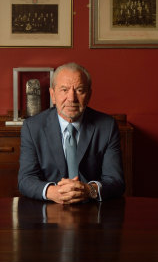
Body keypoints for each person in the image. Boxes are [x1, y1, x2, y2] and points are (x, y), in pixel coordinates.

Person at [18, 62, 125, 204]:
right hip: (49, 209)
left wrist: (88, 190)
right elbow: (25, 180)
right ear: (52, 95)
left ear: (89, 95)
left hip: (92, 210)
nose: (72, 98)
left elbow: (116, 181)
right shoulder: (33, 127)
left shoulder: (107, 126)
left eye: (79, 90)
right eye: (64, 90)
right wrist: (53, 192)